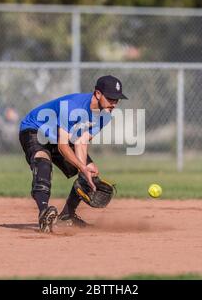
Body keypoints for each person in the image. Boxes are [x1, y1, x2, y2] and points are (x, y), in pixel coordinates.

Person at [18, 75, 128, 233]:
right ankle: (43, 212)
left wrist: (84, 170)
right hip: (36, 129)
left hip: (59, 137)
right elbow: (63, 146)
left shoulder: (105, 115)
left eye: (117, 99)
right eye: (111, 98)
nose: (114, 104)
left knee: (91, 171)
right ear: (98, 94)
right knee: (42, 160)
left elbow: (81, 141)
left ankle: (67, 216)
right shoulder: (71, 106)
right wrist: (81, 167)